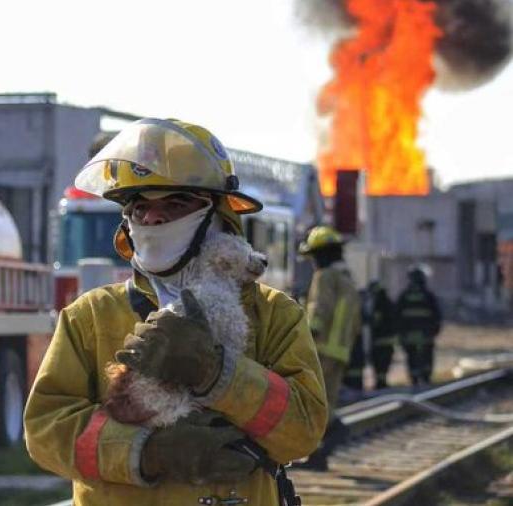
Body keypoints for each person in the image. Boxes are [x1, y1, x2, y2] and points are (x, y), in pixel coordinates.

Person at [24, 118, 327, 505]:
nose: (153, 219)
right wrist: (150, 452)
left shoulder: (273, 315)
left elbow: (303, 431)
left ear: (218, 215)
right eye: (139, 206)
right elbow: (45, 431)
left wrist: (218, 374)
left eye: (174, 203)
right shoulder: (91, 316)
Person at [295, 225, 361, 470]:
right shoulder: (348, 280)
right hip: (341, 352)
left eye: (313, 256)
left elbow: (319, 311)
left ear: (321, 255)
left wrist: (304, 339)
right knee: (326, 401)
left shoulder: (324, 277)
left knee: (312, 402)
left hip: (321, 350)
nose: (312, 262)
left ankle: (334, 434)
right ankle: (319, 457)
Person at [396, 266, 442, 386]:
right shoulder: (429, 296)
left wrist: (401, 334)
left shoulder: (404, 296)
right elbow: (437, 316)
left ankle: (415, 381)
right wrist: (434, 331)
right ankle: (426, 380)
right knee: (426, 358)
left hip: (409, 336)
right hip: (426, 335)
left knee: (412, 358)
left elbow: (397, 316)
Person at [364, 280, 397, 389]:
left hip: (379, 341)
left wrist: (366, 318)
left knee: (379, 363)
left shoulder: (379, 303)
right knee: (385, 364)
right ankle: (382, 382)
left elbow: (376, 321)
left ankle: (380, 384)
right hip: (389, 341)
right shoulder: (388, 301)